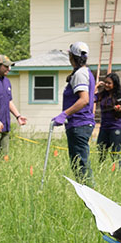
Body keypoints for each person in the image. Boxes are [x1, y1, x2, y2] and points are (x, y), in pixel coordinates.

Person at [53, 42, 96, 182]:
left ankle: (89, 194)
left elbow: (84, 100)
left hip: (79, 123)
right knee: (78, 163)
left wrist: (65, 113)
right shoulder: (83, 72)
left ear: (72, 56)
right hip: (80, 123)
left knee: (80, 164)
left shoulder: (80, 74)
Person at [95, 71, 121, 162]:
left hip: (117, 126)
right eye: (105, 82)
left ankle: (116, 173)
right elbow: (90, 99)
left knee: (114, 153)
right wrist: (96, 87)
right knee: (101, 151)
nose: (106, 85)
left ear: (115, 84)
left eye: (109, 83)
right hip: (104, 127)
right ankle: (101, 171)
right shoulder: (102, 95)